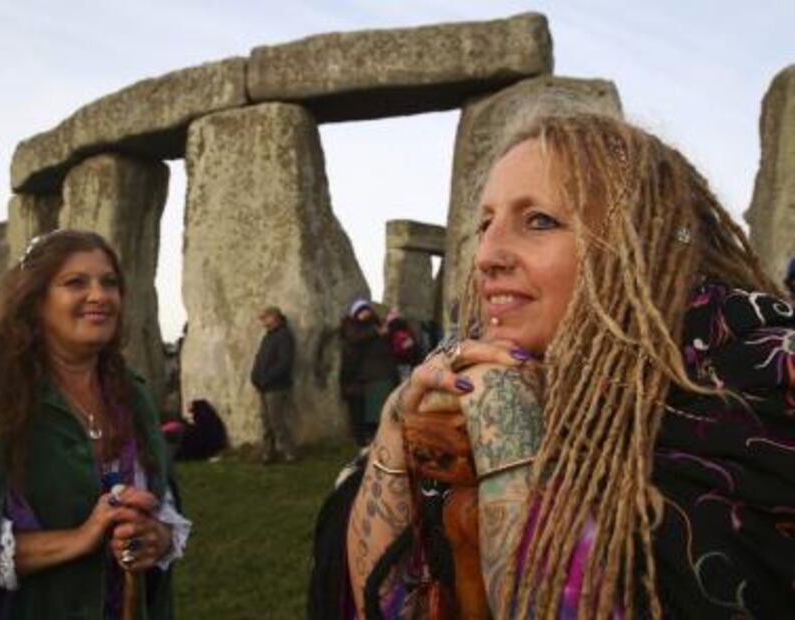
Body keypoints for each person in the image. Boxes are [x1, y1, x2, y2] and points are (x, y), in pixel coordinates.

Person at [309, 114, 794, 618]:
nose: (487, 256)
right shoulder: (453, 377)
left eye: (539, 220)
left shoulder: (761, 391)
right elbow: (379, 603)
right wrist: (393, 431)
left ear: (639, 246)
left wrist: (507, 425)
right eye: (485, 224)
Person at [0, 230, 190, 619]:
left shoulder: (131, 396)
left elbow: (163, 500)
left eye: (109, 282)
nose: (99, 295)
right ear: (34, 301)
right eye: (76, 282)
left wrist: (156, 537)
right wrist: (80, 539)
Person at [339, 300, 399, 446]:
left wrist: (392, 323)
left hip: (378, 374)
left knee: (379, 410)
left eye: (367, 310)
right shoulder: (354, 328)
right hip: (361, 376)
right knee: (364, 412)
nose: (366, 313)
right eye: (361, 310)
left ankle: (378, 438)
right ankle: (366, 440)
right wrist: (377, 332)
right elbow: (354, 339)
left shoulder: (376, 325)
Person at [250, 305, 297, 463]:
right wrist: (255, 376)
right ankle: (268, 453)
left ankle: (290, 452)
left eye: (265, 317)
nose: (263, 321)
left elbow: (284, 363)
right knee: (266, 421)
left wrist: (266, 378)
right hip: (264, 386)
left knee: (276, 421)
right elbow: (260, 358)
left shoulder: (284, 335)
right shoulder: (268, 336)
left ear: (274, 317)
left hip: (277, 386)